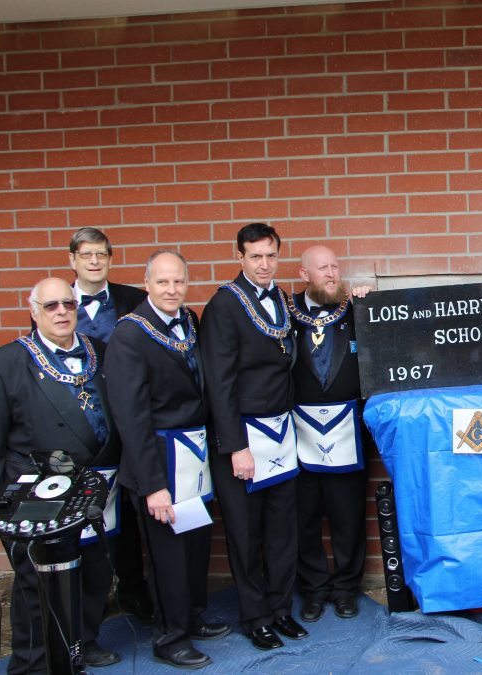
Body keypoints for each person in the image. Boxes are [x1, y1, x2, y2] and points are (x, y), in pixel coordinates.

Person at [0, 278, 122, 672]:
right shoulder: (3, 364)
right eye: (50, 305)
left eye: (68, 304)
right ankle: (33, 662)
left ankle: (81, 643)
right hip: (37, 497)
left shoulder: (100, 352)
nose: (61, 312)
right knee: (37, 586)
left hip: (96, 486)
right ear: (33, 311)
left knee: (93, 571)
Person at [105, 250, 231, 669]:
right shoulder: (130, 333)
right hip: (158, 458)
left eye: (178, 281)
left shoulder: (189, 321)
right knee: (168, 555)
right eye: (162, 282)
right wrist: (152, 484)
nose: (172, 290)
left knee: (195, 543)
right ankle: (170, 636)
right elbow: (131, 416)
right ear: (147, 284)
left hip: (192, 453)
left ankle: (192, 616)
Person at [200, 222, 307, 650]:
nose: (264, 264)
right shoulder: (224, 306)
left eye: (271, 255)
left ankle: (281, 609)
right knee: (246, 534)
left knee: (283, 529)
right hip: (243, 438)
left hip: (281, 432)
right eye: (255, 256)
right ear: (240, 258)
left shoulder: (281, 298)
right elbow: (219, 382)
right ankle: (255, 615)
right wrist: (235, 447)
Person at [67, 227, 154, 622]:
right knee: (85, 513)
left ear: (110, 258)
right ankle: (89, 601)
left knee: (131, 513)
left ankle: (133, 590)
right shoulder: (57, 303)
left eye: (101, 253)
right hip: (82, 428)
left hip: (129, 422)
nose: (94, 261)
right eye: (86, 254)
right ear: (73, 260)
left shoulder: (134, 301)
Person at [288, 245, 373, 622]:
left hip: (347, 432)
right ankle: (313, 590)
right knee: (304, 517)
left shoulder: (356, 312)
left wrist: (370, 300)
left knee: (348, 517)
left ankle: (346, 590)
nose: (331, 273)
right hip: (297, 433)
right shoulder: (282, 313)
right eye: (322, 268)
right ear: (304, 274)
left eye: (335, 267)